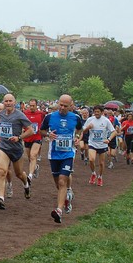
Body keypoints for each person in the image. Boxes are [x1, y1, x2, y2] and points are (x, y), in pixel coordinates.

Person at [40, 94, 82, 223]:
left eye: (65, 106)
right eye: (61, 105)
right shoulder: (49, 117)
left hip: (68, 154)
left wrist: (77, 138)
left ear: (71, 106)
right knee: (58, 183)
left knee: (63, 181)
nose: (62, 108)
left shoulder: (76, 117)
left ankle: (59, 210)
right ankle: (66, 200)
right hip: (54, 154)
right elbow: (42, 131)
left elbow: (80, 130)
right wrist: (48, 134)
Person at [0, 94, 34, 210]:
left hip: (16, 149)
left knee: (19, 174)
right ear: (3, 103)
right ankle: (1, 198)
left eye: (10, 101)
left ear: (14, 102)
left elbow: (31, 130)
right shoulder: (1, 114)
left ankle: (26, 185)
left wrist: (19, 137)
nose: (8, 103)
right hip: (4, 147)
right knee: (1, 171)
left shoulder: (20, 115)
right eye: (6, 101)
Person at [82, 105, 117, 187]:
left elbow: (114, 132)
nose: (96, 113)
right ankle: (93, 173)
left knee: (101, 163)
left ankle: (100, 177)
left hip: (102, 145)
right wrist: (88, 127)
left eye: (98, 112)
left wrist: (108, 139)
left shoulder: (106, 121)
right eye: (95, 112)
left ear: (102, 112)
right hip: (92, 143)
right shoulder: (90, 120)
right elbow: (83, 131)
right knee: (91, 159)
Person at [23, 99, 46, 182]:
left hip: (37, 137)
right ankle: (35, 167)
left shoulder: (41, 114)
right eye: (30, 105)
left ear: (37, 106)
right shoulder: (25, 113)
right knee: (30, 157)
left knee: (33, 156)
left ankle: (30, 175)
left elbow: (45, 124)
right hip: (27, 138)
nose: (32, 107)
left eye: (33, 106)